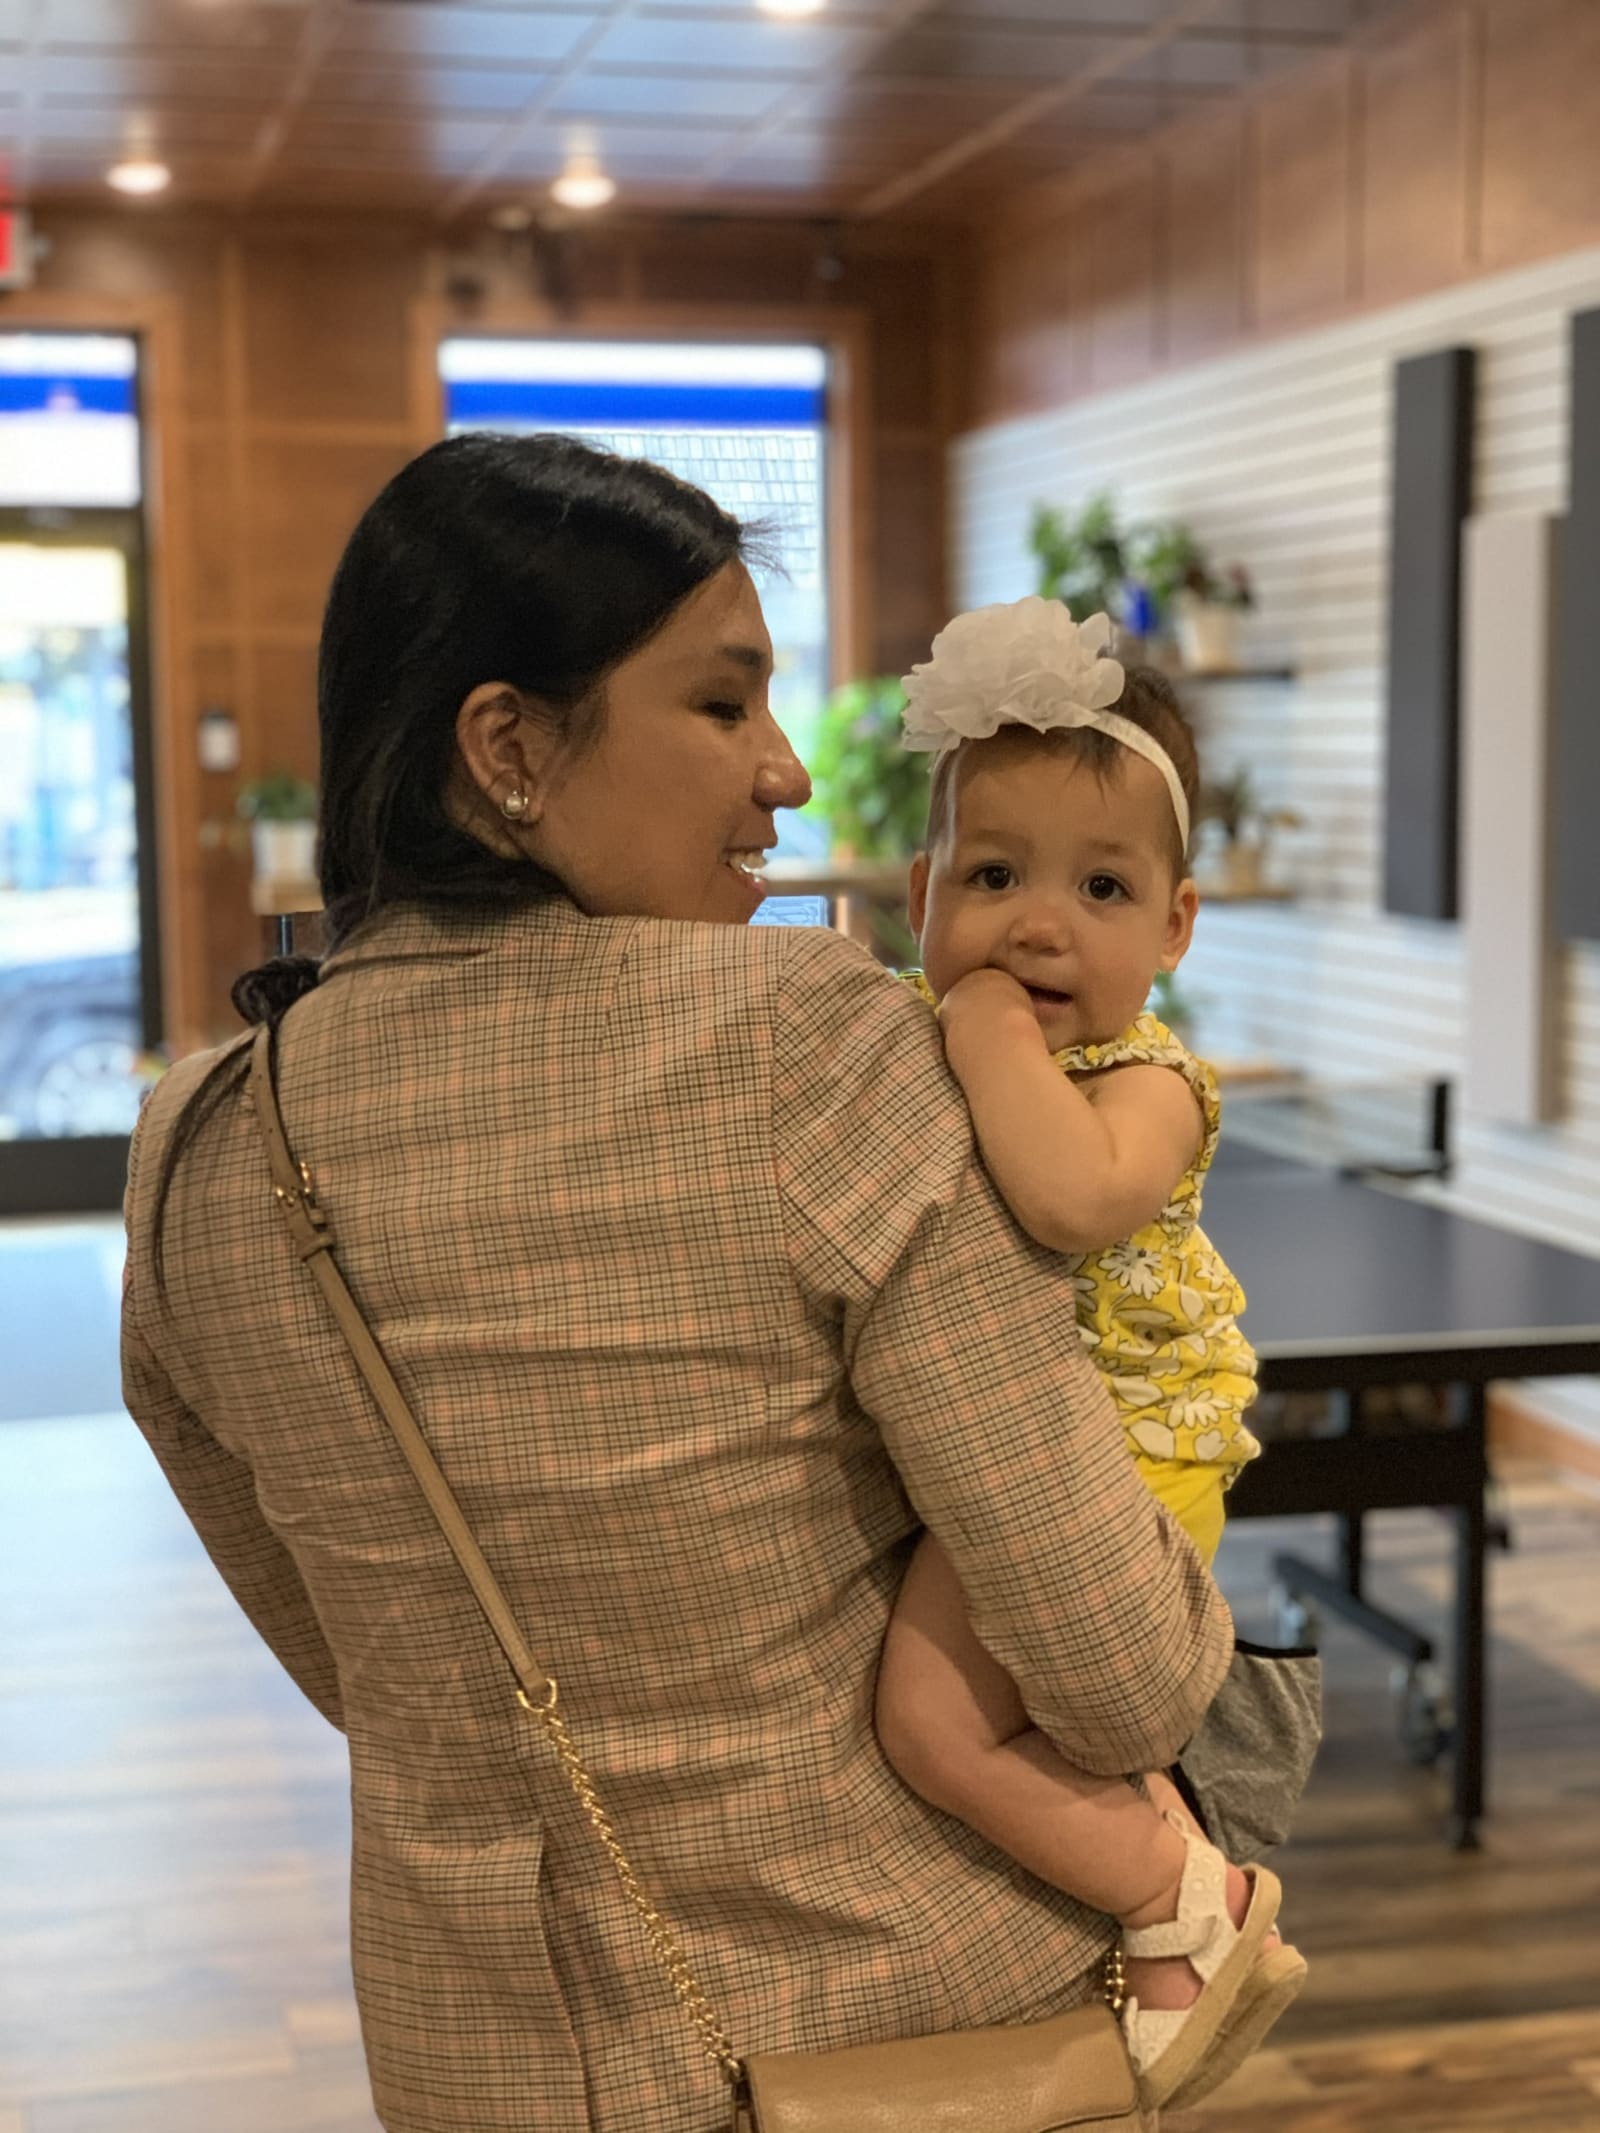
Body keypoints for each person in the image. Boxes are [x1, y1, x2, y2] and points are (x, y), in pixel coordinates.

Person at [121, 434, 1234, 2133]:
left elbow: (354, 1664)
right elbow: (1118, 1670)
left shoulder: (201, 1143)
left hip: (479, 2061)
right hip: (901, 2040)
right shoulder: (815, 1047)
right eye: (724, 704)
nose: (786, 771)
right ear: (508, 747)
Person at [872, 594, 1306, 2113]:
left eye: (1102, 886)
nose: (1039, 923)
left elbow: (1067, 1195)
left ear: (1174, 926)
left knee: (931, 1724)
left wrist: (989, 1033)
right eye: (992, 876)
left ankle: (1177, 1889)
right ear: (919, 894)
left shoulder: (1147, 1081)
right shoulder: (906, 1040)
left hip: (1124, 1455)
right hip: (1005, 1446)